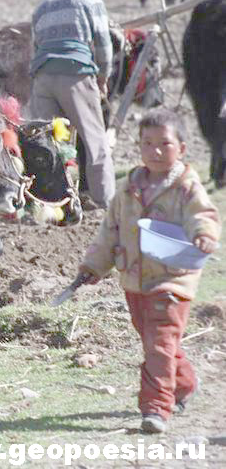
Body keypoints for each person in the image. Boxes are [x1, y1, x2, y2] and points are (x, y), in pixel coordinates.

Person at [77, 108, 220, 434]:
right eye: (147, 143)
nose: (155, 151)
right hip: (134, 279)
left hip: (173, 276)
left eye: (164, 144)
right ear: (138, 147)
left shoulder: (185, 186)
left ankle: (156, 408)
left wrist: (204, 235)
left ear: (182, 148)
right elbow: (109, 232)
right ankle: (183, 384)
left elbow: (204, 215)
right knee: (157, 342)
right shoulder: (128, 188)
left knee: (159, 344)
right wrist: (94, 266)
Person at [29, 0, 115, 209]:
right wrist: (103, 78)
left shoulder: (41, 6)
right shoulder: (91, 1)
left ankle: (50, 202)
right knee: (95, 141)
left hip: (43, 77)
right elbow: (103, 45)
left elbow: (35, 46)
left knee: (50, 143)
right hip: (75, 75)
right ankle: (104, 201)